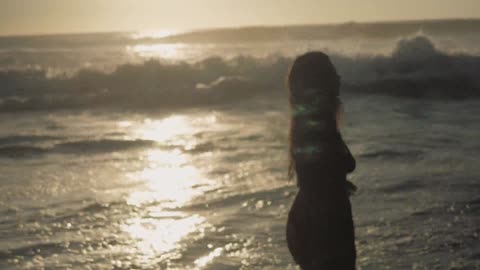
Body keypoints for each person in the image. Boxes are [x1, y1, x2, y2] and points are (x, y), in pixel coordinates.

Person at [286, 51, 357, 269]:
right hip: (324, 220)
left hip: (312, 217)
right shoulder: (317, 127)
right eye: (331, 73)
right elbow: (320, 178)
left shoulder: (309, 123)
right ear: (319, 82)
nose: (338, 79)